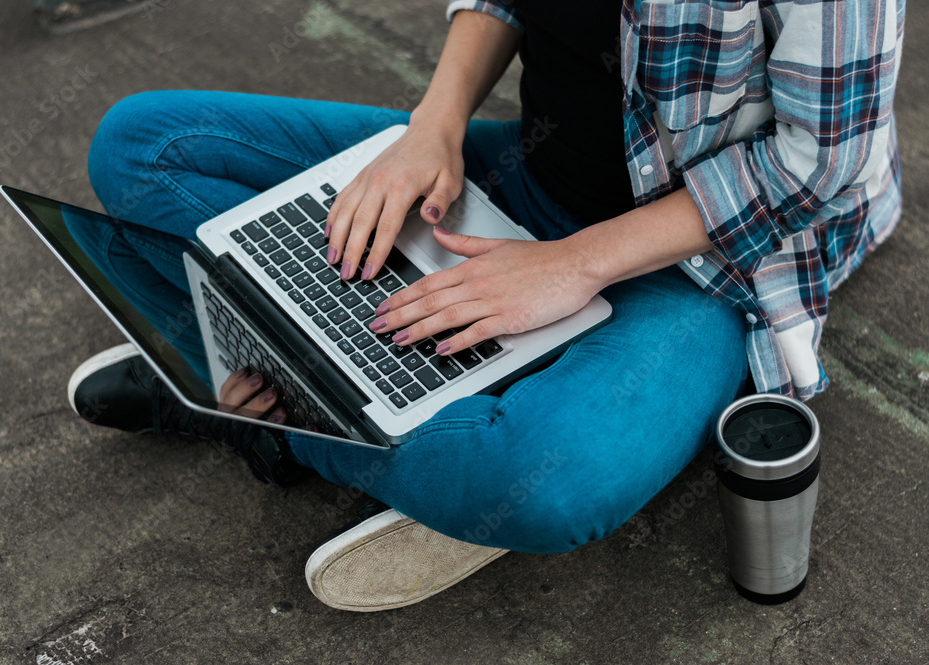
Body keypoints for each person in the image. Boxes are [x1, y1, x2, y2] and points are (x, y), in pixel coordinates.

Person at [68, 0, 905, 611]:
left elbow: (821, 163)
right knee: (144, 146)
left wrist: (573, 265)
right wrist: (434, 124)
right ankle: (366, 393)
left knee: (550, 481)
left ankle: (253, 394)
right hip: (514, 184)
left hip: (702, 263)